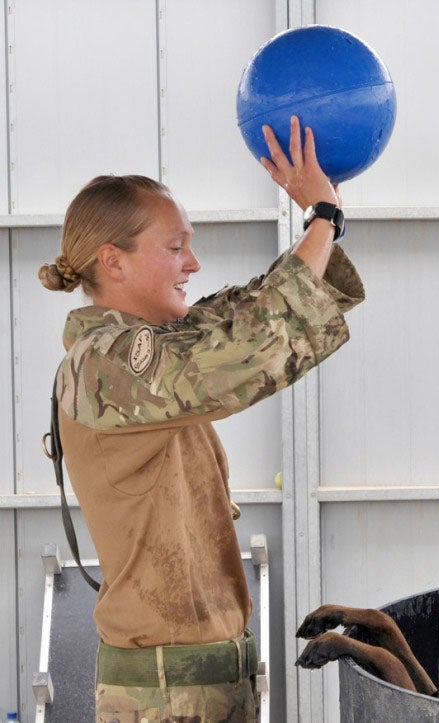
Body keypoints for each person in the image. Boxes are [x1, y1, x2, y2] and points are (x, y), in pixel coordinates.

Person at [38, 116, 364, 722]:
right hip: (165, 700)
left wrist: (322, 219)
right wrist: (323, 217)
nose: (193, 263)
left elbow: (241, 317)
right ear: (113, 261)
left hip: (207, 688)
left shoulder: (152, 349)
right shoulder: (104, 365)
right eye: (174, 247)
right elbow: (243, 354)